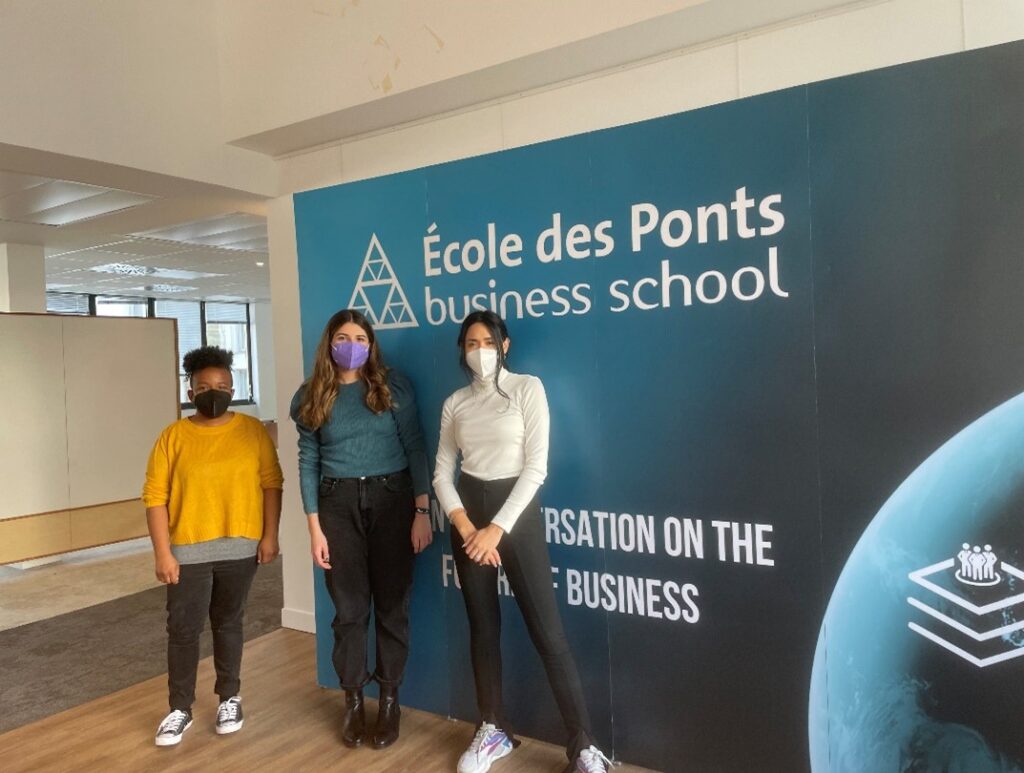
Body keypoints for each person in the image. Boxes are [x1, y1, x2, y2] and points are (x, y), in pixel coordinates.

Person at [433, 310, 614, 773]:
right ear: (462, 350)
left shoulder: (527, 388)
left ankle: (584, 746)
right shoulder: (455, 403)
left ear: (504, 346)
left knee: (548, 632)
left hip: (516, 517)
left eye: (488, 342)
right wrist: (467, 527)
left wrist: (496, 528)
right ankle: (493, 728)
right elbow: (442, 474)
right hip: (468, 519)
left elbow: (536, 467)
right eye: (471, 344)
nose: (480, 352)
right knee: (483, 629)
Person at [290, 308, 432, 750]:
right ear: (329, 343)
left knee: (392, 607)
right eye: (343, 338)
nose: (351, 346)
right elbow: (308, 461)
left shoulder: (392, 387)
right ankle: (352, 699)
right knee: (349, 611)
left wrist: (422, 510)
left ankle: (389, 701)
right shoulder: (311, 395)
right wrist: (314, 528)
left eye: (360, 339)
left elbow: (415, 446)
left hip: (393, 500)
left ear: (371, 346)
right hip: (337, 505)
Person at [143, 345, 283, 747]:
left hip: (240, 547)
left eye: (221, 385)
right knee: (183, 629)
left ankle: (229, 698)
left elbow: (271, 484)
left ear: (232, 389)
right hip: (187, 550)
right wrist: (163, 553)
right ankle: (179, 709)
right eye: (203, 387)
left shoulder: (252, 431)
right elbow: (154, 497)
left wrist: (270, 535)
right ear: (190, 393)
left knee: (229, 623)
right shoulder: (173, 436)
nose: (213, 393)